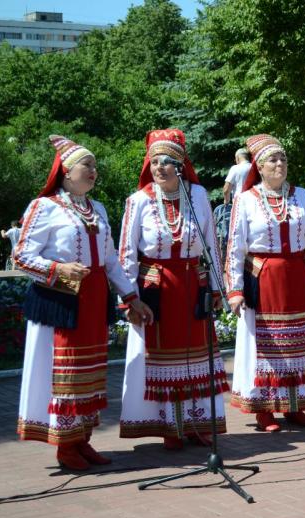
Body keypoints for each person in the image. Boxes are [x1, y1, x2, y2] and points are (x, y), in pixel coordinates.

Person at [14, 135, 152, 470]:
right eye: (86, 165)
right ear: (65, 172)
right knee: (66, 373)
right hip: (61, 301)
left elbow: (111, 261)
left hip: (93, 300)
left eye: (94, 166)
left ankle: (83, 439)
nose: (93, 171)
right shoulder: (43, 206)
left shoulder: (98, 209)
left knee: (90, 372)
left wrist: (131, 297)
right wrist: (57, 268)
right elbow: (21, 256)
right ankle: (65, 446)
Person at [118, 129, 229, 450]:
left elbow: (211, 245)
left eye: (166, 161)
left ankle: (195, 424)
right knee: (162, 358)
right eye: (154, 162)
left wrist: (219, 289)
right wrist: (129, 300)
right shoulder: (138, 202)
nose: (159, 168)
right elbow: (126, 253)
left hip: (193, 285)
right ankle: (169, 426)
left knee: (197, 356)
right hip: (157, 290)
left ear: (180, 164)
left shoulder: (197, 196)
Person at [225, 134, 305, 432]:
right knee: (267, 345)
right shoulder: (246, 199)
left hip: (297, 278)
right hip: (264, 280)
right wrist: (235, 290)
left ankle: (294, 404)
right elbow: (235, 246)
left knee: (299, 343)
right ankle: (265, 409)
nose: (280, 164)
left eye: (283, 159)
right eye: (273, 160)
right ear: (259, 167)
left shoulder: (301, 195)